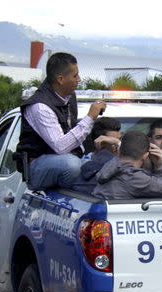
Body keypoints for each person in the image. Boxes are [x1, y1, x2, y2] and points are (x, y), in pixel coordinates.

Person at [16, 52, 106, 191]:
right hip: (38, 167)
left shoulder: (69, 97)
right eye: (75, 75)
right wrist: (90, 117)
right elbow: (61, 147)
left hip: (69, 157)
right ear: (60, 79)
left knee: (107, 161)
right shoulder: (40, 106)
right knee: (71, 164)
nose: (79, 79)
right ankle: (80, 190)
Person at [93, 130, 162, 199]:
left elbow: (156, 189)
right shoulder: (133, 177)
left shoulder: (110, 167)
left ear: (119, 151)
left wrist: (158, 168)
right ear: (145, 156)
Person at [73, 117, 121, 194]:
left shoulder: (119, 160)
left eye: (118, 140)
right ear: (100, 143)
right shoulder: (84, 165)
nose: (117, 145)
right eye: (113, 141)